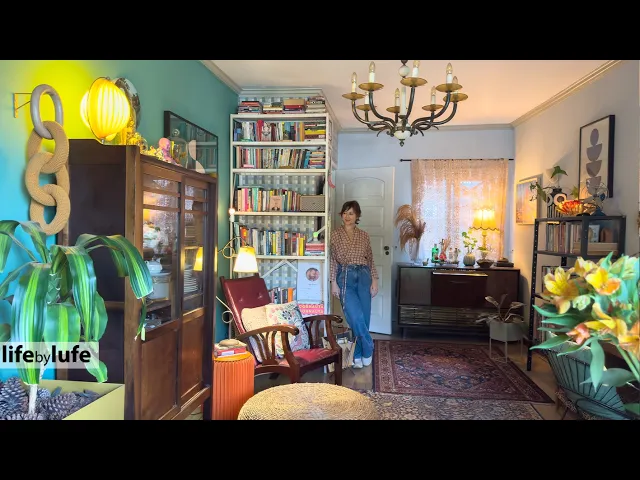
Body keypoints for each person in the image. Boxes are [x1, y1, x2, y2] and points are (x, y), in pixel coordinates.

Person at [330, 200, 378, 369]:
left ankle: (357, 353)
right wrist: (333, 282)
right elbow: (333, 261)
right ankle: (369, 346)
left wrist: (375, 280)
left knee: (364, 317)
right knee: (355, 317)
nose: (347, 216)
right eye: (345, 213)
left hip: (364, 275)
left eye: (351, 213)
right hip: (345, 276)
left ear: (357, 216)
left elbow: (370, 259)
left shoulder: (364, 235)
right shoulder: (335, 235)